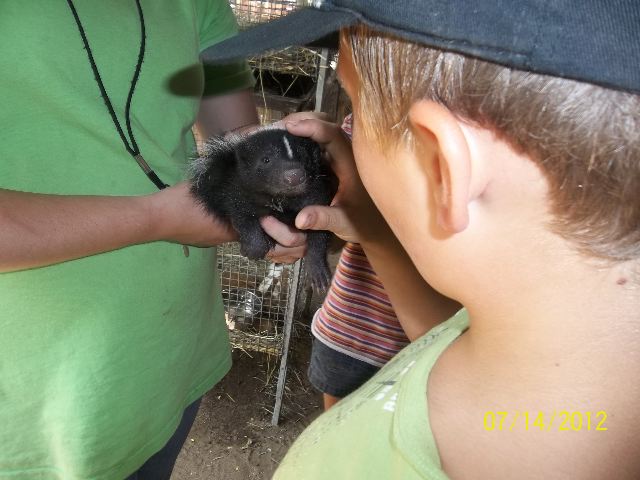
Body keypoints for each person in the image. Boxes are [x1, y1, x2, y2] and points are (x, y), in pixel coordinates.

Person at [203, 1, 640, 478]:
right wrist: (374, 231)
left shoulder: (336, 462)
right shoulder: (508, 335)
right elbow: (434, 337)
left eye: (354, 107)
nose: (339, 134)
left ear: (441, 167)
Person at [0, 1, 306, 479]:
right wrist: (159, 218)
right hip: (35, 401)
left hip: (172, 364)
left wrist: (290, 183)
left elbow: (239, 142)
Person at [308, 115, 461, 410]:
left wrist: (372, 228)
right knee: (341, 427)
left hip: (429, 347)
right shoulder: (363, 122)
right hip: (351, 329)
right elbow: (337, 234)